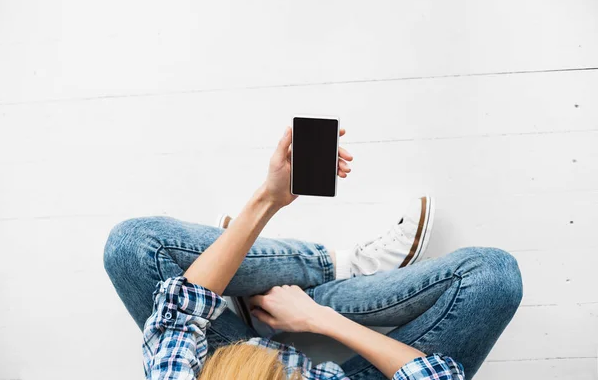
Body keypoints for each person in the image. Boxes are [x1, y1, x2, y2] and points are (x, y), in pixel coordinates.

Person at [104, 127, 522, 379]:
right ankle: (333, 275)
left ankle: (316, 272)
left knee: (133, 246)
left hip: (227, 366)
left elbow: (179, 312)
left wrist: (268, 199)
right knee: (493, 277)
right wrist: (318, 319)